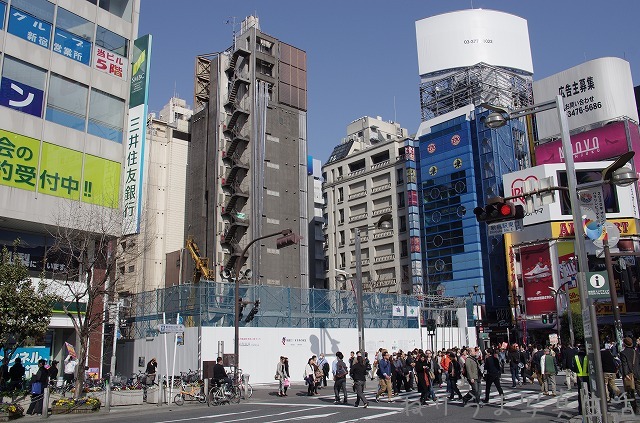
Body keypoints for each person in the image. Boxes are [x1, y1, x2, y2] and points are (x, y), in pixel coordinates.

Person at [620, 337, 640, 414]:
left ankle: (636, 409)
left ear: (624, 344)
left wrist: (625, 374)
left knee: (630, 392)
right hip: (638, 374)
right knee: (639, 390)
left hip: (629, 375)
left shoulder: (623, 353)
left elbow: (624, 364)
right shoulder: (636, 352)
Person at [572, 345, 590, 415]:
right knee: (589, 392)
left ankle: (581, 410)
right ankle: (589, 408)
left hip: (579, 377)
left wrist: (577, 371)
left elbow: (572, 366)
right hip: (588, 377)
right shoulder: (588, 357)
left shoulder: (575, 357)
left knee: (580, 394)